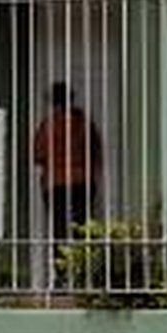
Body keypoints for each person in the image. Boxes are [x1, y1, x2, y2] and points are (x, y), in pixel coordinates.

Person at [31, 82, 99, 254]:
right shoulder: (84, 122)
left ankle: (61, 274)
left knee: (59, 230)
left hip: (56, 184)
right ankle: (82, 271)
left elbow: (38, 156)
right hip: (81, 181)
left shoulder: (48, 125)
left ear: (52, 101)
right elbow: (95, 151)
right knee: (82, 228)